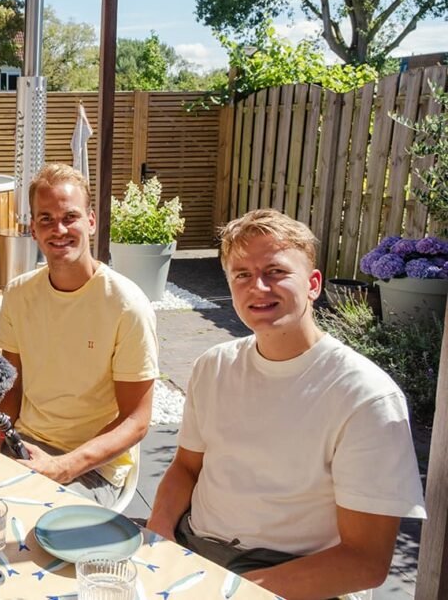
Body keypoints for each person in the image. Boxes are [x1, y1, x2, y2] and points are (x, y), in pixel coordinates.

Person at [146, 209, 426, 599]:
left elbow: (365, 560)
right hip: (198, 549)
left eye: (275, 271)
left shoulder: (365, 397)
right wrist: (156, 538)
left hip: (290, 574)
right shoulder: (214, 366)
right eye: (242, 275)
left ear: (313, 284)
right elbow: (186, 467)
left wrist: (227, 592)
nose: (257, 287)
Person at [0, 163, 159, 507]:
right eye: (46, 219)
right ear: (33, 228)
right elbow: (12, 387)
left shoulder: (127, 305)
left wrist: (64, 467)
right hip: (24, 442)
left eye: (70, 217)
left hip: (93, 465)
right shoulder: (19, 295)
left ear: (91, 221)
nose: (58, 228)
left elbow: (136, 420)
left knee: (30, 523)